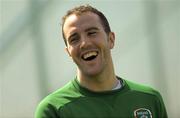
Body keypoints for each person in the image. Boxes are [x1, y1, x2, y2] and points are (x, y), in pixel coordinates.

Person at [35, 5, 168, 118]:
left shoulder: (150, 99)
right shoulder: (53, 109)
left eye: (92, 33)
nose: (85, 43)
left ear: (111, 39)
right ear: (68, 52)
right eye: (74, 39)